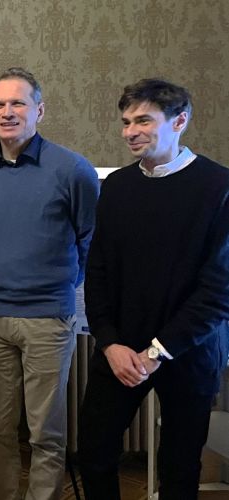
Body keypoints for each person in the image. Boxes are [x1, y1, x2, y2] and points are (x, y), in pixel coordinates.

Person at [78, 78, 229, 500]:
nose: (130, 131)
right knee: (94, 452)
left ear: (179, 121)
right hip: (120, 348)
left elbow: (218, 291)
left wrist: (157, 352)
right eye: (126, 122)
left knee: (180, 467)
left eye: (143, 120)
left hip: (189, 351)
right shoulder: (116, 187)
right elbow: (98, 271)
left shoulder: (218, 187)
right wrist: (109, 343)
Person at [0, 67, 99, 500]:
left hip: (48, 320)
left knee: (45, 433)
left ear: (39, 110)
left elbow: (90, 240)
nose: (8, 112)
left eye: (18, 103)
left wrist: (62, 284)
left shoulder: (73, 170)